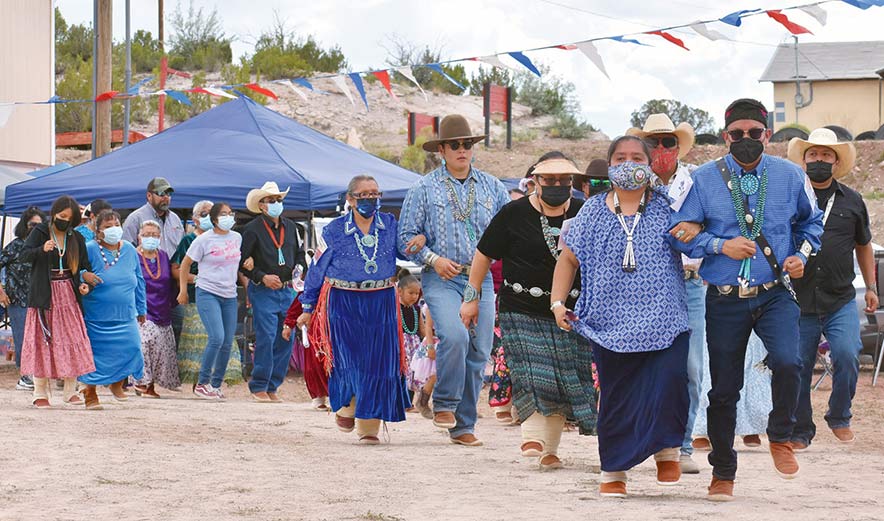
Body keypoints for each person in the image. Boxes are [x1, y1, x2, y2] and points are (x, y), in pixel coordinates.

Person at [670, 98, 824, 501]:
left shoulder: (791, 176)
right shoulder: (703, 179)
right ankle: (723, 471)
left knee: (790, 361)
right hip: (723, 298)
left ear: (767, 135)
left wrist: (800, 256)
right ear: (725, 137)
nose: (745, 140)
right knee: (723, 389)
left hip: (775, 294)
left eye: (754, 134)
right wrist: (721, 245)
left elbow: (812, 224)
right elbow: (681, 231)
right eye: (736, 134)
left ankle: (780, 434)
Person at [552, 136, 690, 497]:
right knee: (617, 396)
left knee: (670, 381)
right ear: (610, 164)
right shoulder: (591, 211)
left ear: (649, 164)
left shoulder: (669, 207)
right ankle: (614, 470)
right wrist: (556, 303)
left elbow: (696, 238)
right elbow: (568, 259)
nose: (629, 163)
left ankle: (667, 451)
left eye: (636, 157)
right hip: (608, 323)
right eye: (620, 157)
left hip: (665, 318)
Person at [462, 152, 597, 471]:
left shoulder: (583, 212)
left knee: (563, 377)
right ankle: (532, 435)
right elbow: (482, 256)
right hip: (519, 308)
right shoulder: (513, 213)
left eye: (564, 181)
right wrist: (471, 298)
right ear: (534, 181)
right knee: (533, 371)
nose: (557, 186)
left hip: (568, 311)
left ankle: (549, 449)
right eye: (549, 181)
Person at [398, 114, 509, 447]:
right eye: (455, 145)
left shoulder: (494, 188)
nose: (462, 150)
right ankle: (444, 403)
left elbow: (510, 230)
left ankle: (463, 424)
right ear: (442, 150)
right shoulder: (422, 188)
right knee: (455, 336)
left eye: (467, 144)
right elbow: (405, 237)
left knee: (480, 350)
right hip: (440, 277)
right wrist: (431, 258)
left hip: (482, 277)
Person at [297, 175, 411, 445]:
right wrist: (307, 306)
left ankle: (369, 427)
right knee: (348, 359)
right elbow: (317, 269)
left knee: (377, 362)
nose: (371, 199)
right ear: (350, 199)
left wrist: (416, 242)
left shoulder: (390, 224)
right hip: (343, 301)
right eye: (364, 194)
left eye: (375, 193)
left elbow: (405, 253)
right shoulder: (334, 230)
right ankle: (347, 406)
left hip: (381, 300)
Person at [788, 128, 875, 448]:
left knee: (847, 355)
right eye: (814, 155)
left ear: (836, 163)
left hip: (839, 298)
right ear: (804, 160)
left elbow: (864, 245)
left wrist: (871, 287)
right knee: (796, 366)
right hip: (798, 299)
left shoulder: (852, 200)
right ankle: (800, 430)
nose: (820, 160)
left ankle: (839, 415)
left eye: (826, 155)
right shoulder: (791, 199)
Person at [627, 113, 704, 474]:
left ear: (678, 146)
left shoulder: (699, 183)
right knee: (638, 364)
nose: (661, 149)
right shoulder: (628, 184)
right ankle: (641, 440)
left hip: (688, 283)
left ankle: (681, 445)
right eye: (653, 142)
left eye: (668, 141)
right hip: (639, 284)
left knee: (689, 367)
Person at [20, 196, 99, 408]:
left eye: (68, 218)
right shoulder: (41, 232)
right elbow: (23, 256)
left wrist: (86, 285)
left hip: (69, 294)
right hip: (44, 294)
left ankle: (70, 391)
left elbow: (84, 268)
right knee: (43, 340)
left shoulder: (77, 238)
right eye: (61, 216)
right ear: (54, 213)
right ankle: (40, 393)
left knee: (72, 338)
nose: (63, 220)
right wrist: (40, 250)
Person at [240, 181, 306, 403]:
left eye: (278, 199)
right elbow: (242, 262)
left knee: (287, 337)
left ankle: (273, 385)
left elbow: (299, 254)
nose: (276, 203)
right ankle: (259, 384)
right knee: (266, 337)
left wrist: (300, 269)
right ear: (261, 205)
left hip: (288, 290)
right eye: (271, 200)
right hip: (264, 291)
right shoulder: (251, 229)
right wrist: (262, 277)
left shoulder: (292, 227)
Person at [79, 210, 147, 409]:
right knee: (94, 356)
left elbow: (139, 280)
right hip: (96, 315)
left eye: (116, 224)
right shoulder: (90, 248)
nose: (113, 229)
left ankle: (117, 383)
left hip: (126, 313)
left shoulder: (129, 249)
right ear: (98, 231)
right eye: (108, 226)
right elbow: (76, 270)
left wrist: (142, 308)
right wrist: (85, 275)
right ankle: (90, 393)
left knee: (132, 349)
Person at [172, 200, 244, 388]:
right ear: (213, 219)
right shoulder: (203, 239)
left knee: (228, 341)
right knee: (217, 337)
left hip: (229, 294)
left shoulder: (237, 237)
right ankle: (203, 382)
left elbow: (236, 265)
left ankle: (216, 384)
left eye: (230, 213)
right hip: (207, 291)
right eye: (223, 214)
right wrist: (182, 290)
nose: (228, 218)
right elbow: (184, 264)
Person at [0, 206, 46, 391]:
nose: (35, 228)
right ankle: (25, 376)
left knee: (40, 338)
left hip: (40, 300)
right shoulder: (15, 246)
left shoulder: (44, 247)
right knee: (22, 337)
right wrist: (1, 291)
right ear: (24, 225)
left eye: (39, 225)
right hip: (17, 300)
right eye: (32, 224)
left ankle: (38, 374)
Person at [133, 220, 180, 398]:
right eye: (146, 235)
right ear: (139, 236)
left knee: (160, 349)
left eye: (154, 235)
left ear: (160, 237)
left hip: (162, 308)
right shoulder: (133, 255)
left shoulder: (163, 256)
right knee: (145, 342)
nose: (150, 238)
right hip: (142, 310)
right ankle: (141, 382)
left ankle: (150, 385)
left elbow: (168, 281)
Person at [282, 297, 329, 410]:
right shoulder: (311, 285)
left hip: (339, 327)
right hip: (315, 330)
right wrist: (288, 324)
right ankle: (318, 396)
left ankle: (339, 397)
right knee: (314, 364)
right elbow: (301, 300)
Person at [397, 268, 424, 410]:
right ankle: (401, 402)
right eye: (411, 293)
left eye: (417, 293)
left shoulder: (417, 309)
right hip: (401, 345)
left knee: (414, 373)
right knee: (402, 373)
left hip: (414, 346)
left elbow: (422, 328)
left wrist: (427, 341)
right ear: (400, 291)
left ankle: (409, 403)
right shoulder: (394, 308)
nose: (414, 296)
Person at [412, 303, 438, 420]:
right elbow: (428, 327)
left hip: (447, 342)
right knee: (433, 375)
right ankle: (422, 402)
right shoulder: (431, 306)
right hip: (433, 342)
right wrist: (430, 346)